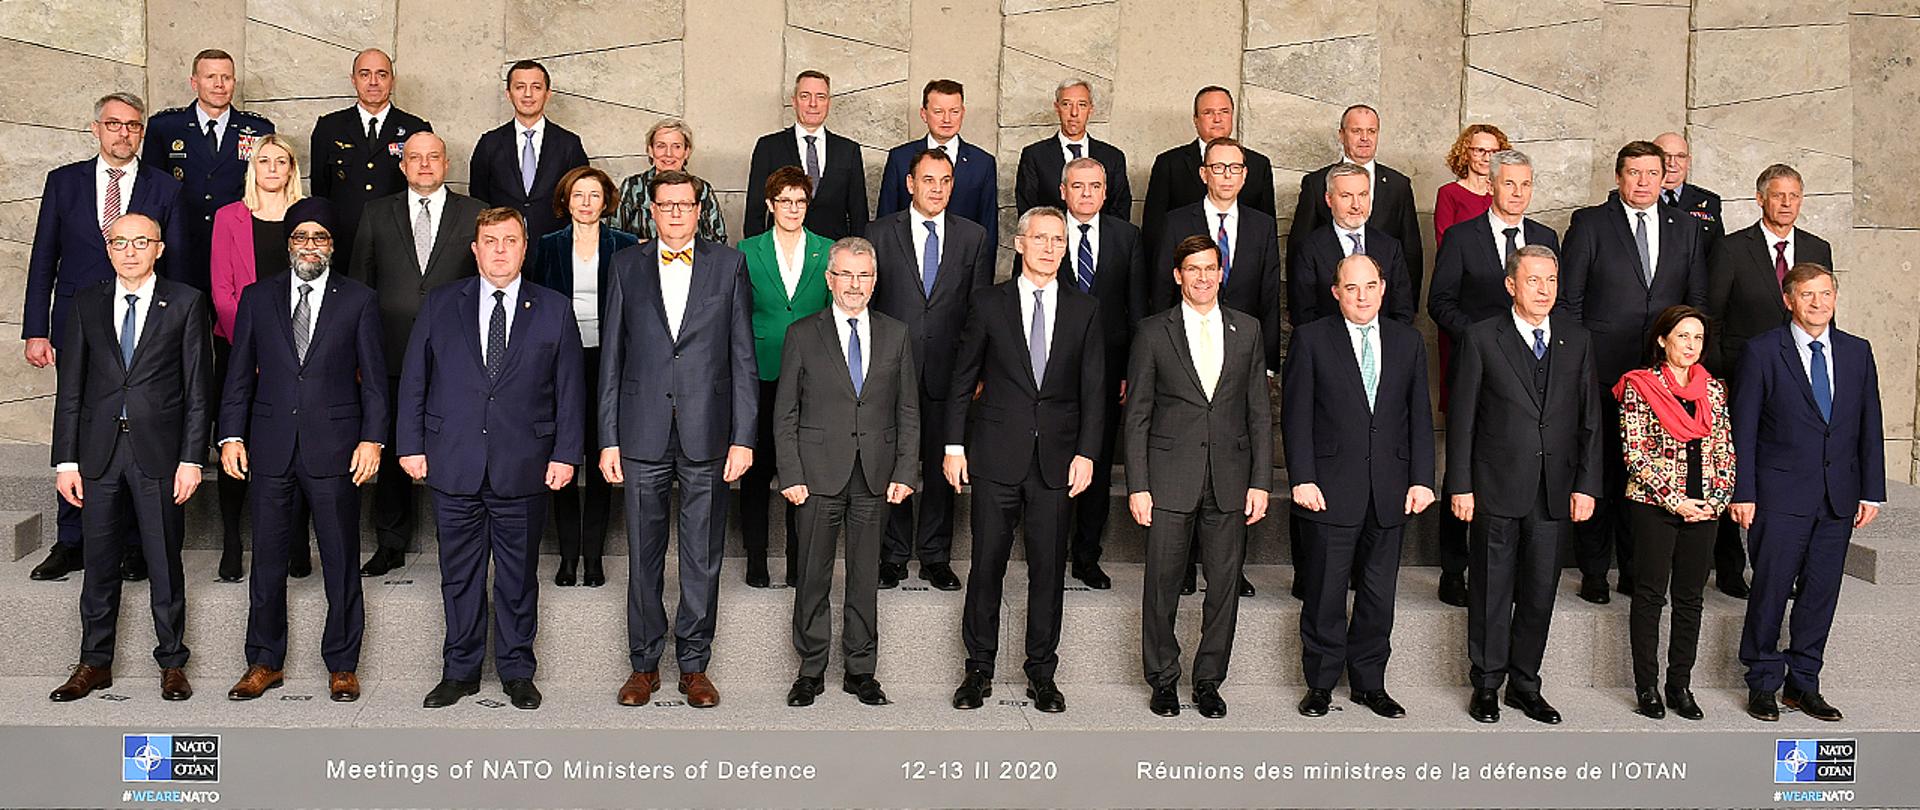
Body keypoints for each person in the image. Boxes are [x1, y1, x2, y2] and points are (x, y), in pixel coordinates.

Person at [397, 207, 586, 711]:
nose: (500, 250)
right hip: (453, 460)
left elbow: (570, 390)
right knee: (458, 575)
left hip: (525, 463)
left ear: (525, 248)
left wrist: (566, 453)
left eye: (510, 240)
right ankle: (459, 671)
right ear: (475, 249)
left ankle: (517, 671)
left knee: (518, 577)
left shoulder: (553, 308)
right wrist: (410, 445)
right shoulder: (441, 304)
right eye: (490, 241)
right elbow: (415, 379)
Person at [217, 198, 386, 704]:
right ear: (288, 244)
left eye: (319, 237)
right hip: (269, 447)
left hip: (335, 448)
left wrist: (372, 439)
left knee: (340, 560)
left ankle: (343, 664)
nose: (310, 246)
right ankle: (264, 661)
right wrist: (230, 436)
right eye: (300, 237)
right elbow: (238, 376)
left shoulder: (358, 299)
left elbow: (376, 382)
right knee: (267, 561)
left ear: (332, 245)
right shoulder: (257, 298)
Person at [600, 170, 757, 710]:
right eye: (665, 205)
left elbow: (742, 356)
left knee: (702, 556)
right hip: (640, 431)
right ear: (651, 211)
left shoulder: (729, 265)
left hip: (708, 431)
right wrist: (607, 438)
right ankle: (643, 665)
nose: (674, 214)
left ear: (698, 210)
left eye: (683, 205)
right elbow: (612, 358)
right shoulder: (625, 265)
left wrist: (743, 437)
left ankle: (694, 665)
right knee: (643, 556)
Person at [944, 207, 1105, 714]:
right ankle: (978, 669)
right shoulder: (988, 303)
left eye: (1058, 240)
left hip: (1057, 461)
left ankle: (1042, 672)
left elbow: (1095, 391)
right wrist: (953, 446)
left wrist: (1087, 453)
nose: (1050, 248)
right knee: (986, 566)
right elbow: (962, 378)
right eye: (1040, 239)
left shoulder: (1085, 309)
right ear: (1019, 243)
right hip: (996, 456)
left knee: (1048, 571)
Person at [23, 91, 187, 584]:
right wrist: (36, 329)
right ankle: (71, 539)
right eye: (114, 124)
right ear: (96, 129)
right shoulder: (64, 181)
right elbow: (43, 258)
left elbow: (177, 264)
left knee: (137, 424)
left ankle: (134, 544)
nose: (124, 133)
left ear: (142, 132)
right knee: (77, 420)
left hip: (142, 326)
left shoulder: (164, 187)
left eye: (133, 125)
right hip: (78, 323)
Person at [47, 213, 211, 703]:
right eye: (120, 242)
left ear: (159, 248)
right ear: (109, 248)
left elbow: (198, 389)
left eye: (141, 242)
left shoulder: (185, 301)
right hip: (98, 454)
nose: (130, 251)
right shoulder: (87, 301)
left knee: (163, 561)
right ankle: (94, 663)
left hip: (159, 454)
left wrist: (192, 459)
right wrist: (66, 461)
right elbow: (70, 388)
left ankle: (172, 663)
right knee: (98, 563)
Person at [1447, 245, 1602, 725]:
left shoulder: (1577, 339)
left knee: (1539, 591)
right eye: (1533, 280)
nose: (1543, 290)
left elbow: (1590, 420)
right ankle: (1486, 684)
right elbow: (1463, 420)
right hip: (1494, 485)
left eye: (1551, 280)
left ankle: (1525, 685)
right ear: (1511, 285)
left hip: (1555, 489)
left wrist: (1587, 485)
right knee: (1490, 588)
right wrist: (1460, 485)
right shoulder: (1481, 337)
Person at [1732, 263, 1883, 724]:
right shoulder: (1762, 351)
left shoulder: (1857, 351)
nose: (1818, 303)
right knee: (1771, 590)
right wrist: (1743, 492)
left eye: (1825, 293)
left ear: (1835, 297)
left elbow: (1869, 424)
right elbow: (1744, 428)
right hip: (1779, 496)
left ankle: (1803, 684)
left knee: (1820, 594)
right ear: (1789, 300)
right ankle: (1762, 681)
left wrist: (1872, 492)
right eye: (1807, 295)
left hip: (1838, 496)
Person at [1284, 254, 1434, 720]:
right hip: (1329, 488)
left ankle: (1370, 684)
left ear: (1383, 288)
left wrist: (1422, 479)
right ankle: (1321, 684)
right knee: (1325, 592)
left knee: (1378, 595)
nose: (1362, 296)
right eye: (1352, 288)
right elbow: (1295, 415)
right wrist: (1302, 477)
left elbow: (1419, 417)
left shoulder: (1407, 341)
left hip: (1390, 489)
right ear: (1336, 292)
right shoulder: (1311, 338)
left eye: (1370, 286)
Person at [1128, 235, 1272, 719]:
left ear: (1221, 272)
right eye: (1193, 269)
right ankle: (1163, 679)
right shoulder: (1153, 332)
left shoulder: (1247, 329)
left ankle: (1209, 681)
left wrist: (1261, 481)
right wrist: (1138, 485)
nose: (1203, 277)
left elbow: (1259, 413)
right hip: (1169, 478)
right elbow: (1138, 416)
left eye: (1211, 268)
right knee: (1162, 584)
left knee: (1224, 587)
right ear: (1178, 276)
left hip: (1230, 477)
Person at [1559, 140, 1709, 604]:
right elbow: (1570, 302)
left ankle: (1634, 569)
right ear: (1619, 176)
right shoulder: (1590, 223)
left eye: (1652, 173)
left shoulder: (1685, 227)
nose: (1644, 182)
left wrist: (1684, 364)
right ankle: (1594, 572)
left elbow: (1697, 301)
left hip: (1662, 380)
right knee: (1601, 471)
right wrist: (1578, 366)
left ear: (1665, 177)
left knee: (1648, 477)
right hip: (1602, 372)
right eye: (1634, 173)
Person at [773, 237, 919, 707]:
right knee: (812, 575)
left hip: (875, 473)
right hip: (816, 475)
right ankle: (810, 670)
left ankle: (861, 670)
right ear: (829, 279)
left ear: (874, 281)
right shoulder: (802, 334)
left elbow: (908, 409)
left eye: (864, 275)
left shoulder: (896, 334)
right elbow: (785, 412)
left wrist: (905, 470)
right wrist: (791, 473)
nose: (855, 284)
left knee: (864, 576)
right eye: (846, 275)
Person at [1427, 148, 1559, 607]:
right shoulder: (1462, 237)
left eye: (1526, 184)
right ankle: (1453, 568)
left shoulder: (1545, 237)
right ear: (1491, 185)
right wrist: (1484, 340)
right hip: (1477, 369)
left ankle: (1516, 565)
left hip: (1533, 377)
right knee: (1464, 461)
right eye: (1509, 183)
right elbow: (1440, 302)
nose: (1518, 192)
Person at [349, 132, 484, 577]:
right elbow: (361, 286)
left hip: (459, 356)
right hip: (390, 351)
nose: (424, 165)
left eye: (433, 157)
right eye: (415, 158)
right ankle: (391, 542)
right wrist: (359, 352)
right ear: (402, 165)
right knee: (392, 447)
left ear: (447, 163)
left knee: (457, 444)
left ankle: (459, 543)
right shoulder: (376, 212)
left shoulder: (475, 213)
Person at [1149, 136, 1277, 600]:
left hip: (1239, 356)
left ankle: (1228, 570)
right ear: (1204, 173)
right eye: (1217, 167)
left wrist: (1267, 365)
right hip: (1182, 354)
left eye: (1235, 168)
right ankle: (1182, 567)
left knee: (1230, 465)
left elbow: (1269, 294)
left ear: (1245, 175)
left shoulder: (1262, 225)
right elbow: (1159, 289)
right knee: (1187, 469)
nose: (1226, 175)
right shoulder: (1176, 220)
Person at [1705, 163, 1832, 600]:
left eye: (1794, 196)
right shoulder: (1731, 248)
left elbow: (1822, 317)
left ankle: (1789, 568)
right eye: (1778, 195)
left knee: (1792, 469)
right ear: (1760, 199)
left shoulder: (1817, 247)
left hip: (1801, 385)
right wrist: (1720, 378)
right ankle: (1730, 568)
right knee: (1739, 466)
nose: (1786, 204)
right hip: (1743, 378)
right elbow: (1712, 319)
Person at [869, 148, 994, 591]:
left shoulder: (973, 237)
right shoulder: (878, 233)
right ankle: (893, 554)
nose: (937, 189)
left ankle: (935, 556)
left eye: (945, 181)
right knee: (894, 459)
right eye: (928, 180)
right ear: (910, 184)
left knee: (944, 464)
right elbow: (870, 306)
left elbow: (979, 310)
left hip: (951, 371)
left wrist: (977, 370)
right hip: (891, 369)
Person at [1616, 305, 1732, 721]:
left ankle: (1679, 684)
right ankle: (1646, 686)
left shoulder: (1713, 389)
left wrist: (1716, 501)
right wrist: (1675, 500)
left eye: (1698, 338)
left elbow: (1725, 450)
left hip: (1704, 508)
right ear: (1663, 340)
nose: (1691, 345)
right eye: (1683, 336)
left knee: (1690, 599)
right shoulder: (1640, 385)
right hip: (1655, 506)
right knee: (1650, 595)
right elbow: (1635, 454)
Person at [207, 133, 310, 583]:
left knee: (298, 443)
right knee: (236, 443)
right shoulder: (230, 216)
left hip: (298, 353)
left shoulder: (306, 217)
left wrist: (287, 352)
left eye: (281, 161)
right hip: (238, 347)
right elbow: (223, 292)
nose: (272, 168)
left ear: (291, 169)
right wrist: (252, 349)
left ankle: (296, 540)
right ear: (253, 167)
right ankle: (232, 541)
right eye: (264, 160)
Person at [529, 166, 638, 589]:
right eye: (578, 195)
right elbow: (536, 302)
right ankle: (567, 557)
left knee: (601, 457)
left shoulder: (625, 245)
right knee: (564, 455)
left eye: (594, 195)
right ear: (566, 200)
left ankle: (593, 558)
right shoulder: (548, 245)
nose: (586, 202)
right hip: (560, 362)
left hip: (609, 361)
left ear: (606, 200)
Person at [737, 167, 833, 588]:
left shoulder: (827, 250)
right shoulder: (747, 250)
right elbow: (738, 313)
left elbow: (831, 315)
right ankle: (756, 558)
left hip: (811, 376)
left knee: (803, 469)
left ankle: (798, 562)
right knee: (757, 471)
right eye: (784, 201)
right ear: (770, 204)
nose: (793, 209)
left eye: (800, 201)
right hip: (760, 371)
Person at [1057, 156, 1148, 588]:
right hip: (1052, 370)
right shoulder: (1047, 231)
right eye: (1078, 186)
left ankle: (1087, 556)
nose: (1086, 193)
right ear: (1063, 191)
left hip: (1109, 370)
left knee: (1095, 458)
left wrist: (1131, 368)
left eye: (1094, 186)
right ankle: (1050, 549)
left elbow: (1136, 309)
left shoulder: (1126, 237)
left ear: (1106, 192)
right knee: (1053, 460)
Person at [143, 48, 276, 295]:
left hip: (238, 244)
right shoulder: (166, 127)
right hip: (181, 244)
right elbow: (151, 190)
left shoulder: (258, 129)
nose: (219, 85)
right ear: (194, 82)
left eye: (226, 77)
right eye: (210, 77)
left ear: (234, 82)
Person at [308, 49, 433, 270]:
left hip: (399, 244)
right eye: (365, 74)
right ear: (353, 79)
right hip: (344, 244)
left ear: (393, 80)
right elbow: (320, 190)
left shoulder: (415, 128)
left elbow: (425, 190)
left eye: (381, 74)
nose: (373, 82)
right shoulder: (329, 128)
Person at [1290, 105, 1425, 298]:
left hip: (1385, 303)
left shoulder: (1398, 185)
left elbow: (1411, 250)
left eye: (1372, 131)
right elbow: (1299, 246)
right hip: (1328, 300)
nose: (1365, 138)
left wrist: (1409, 306)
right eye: (1356, 131)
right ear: (1341, 135)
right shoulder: (1316, 183)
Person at [1141, 86, 1276, 262]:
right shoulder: (1169, 163)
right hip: (1183, 268)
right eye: (1208, 112)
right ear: (1195, 119)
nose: (1217, 119)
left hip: (1241, 270)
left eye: (1224, 112)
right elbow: (1153, 229)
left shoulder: (1258, 164)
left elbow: (1267, 229)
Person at [468, 59, 590, 243]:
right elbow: (479, 200)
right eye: (520, 87)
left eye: (536, 87)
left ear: (548, 94)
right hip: (502, 246)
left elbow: (580, 197)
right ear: (508, 94)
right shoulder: (489, 143)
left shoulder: (569, 144)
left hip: (555, 246)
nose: (528, 94)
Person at [1287, 162, 1416, 328]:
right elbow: (1303, 314)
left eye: (1363, 195)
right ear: (1329, 199)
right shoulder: (1309, 248)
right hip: (1329, 342)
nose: (1356, 205)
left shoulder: (1390, 247)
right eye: (1346, 196)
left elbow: (1403, 311)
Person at [742, 70, 868, 239]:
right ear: (794, 102)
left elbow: (859, 215)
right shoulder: (768, 147)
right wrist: (757, 251)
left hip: (833, 250)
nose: (813, 104)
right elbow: (755, 212)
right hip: (781, 249)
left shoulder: (848, 150)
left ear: (828, 102)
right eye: (805, 96)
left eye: (820, 97)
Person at [878, 80, 999, 250]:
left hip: (963, 259)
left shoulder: (982, 163)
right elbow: (885, 220)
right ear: (924, 114)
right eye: (938, 112)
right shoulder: (900, 158)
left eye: (954, 111)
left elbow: (989, 228)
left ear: (963, 112)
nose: (947, 119)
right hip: (908, 257)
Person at [1014, 78, 1131, 219]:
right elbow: (1028, 213)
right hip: (1052, 233)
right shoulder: (1034, 156)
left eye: (1082, 105)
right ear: (1057, 107)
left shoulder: (1113, 157)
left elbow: (1120, 210)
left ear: (1090, 109)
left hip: (1101, 233)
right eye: (1066, 104)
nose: (1074, 112)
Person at [614, 119, 727, 243]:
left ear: (686, 152)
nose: (668, 153)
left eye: (676, 146)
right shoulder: (632, 186)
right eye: (661, 146)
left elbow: (718, 240)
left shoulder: (702, 188)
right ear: (650, 150)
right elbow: (613, 236)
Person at [1434, 124, 1509, 246]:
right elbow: (1445, 244)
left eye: (1494, 152)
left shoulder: (1505, 192)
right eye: (1480, 150)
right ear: (1465, 153)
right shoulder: (1449, 193)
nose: (1487, 158)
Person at [1652, 132, 1724, 255]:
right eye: (1665, 155)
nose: (1672, 163)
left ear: (1688, 161)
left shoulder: (1709, 201)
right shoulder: (1637, 198)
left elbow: (1718, 255)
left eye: (1680, 156)